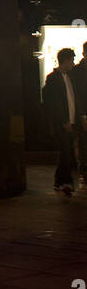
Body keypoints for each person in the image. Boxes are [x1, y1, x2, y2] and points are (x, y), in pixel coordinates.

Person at [45, 47, 86, 196]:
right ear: (66, 60)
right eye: (71, 60)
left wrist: (79, 117)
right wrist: (64, 121)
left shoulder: (70, 78)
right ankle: (66, 182)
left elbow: (76, 100)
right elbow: (54, 104)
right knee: (66, 152)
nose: (73, 63)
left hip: (72, 121)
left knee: (65, 152)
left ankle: (59, 181)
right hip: (63, 123)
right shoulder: (53, 79)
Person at [72, 42, 87, 187]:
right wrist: (82, 114)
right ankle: (84, 172)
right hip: (82, 113)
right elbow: (76, 95)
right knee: (84, 143)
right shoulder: (76, 72)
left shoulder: (76, 71)